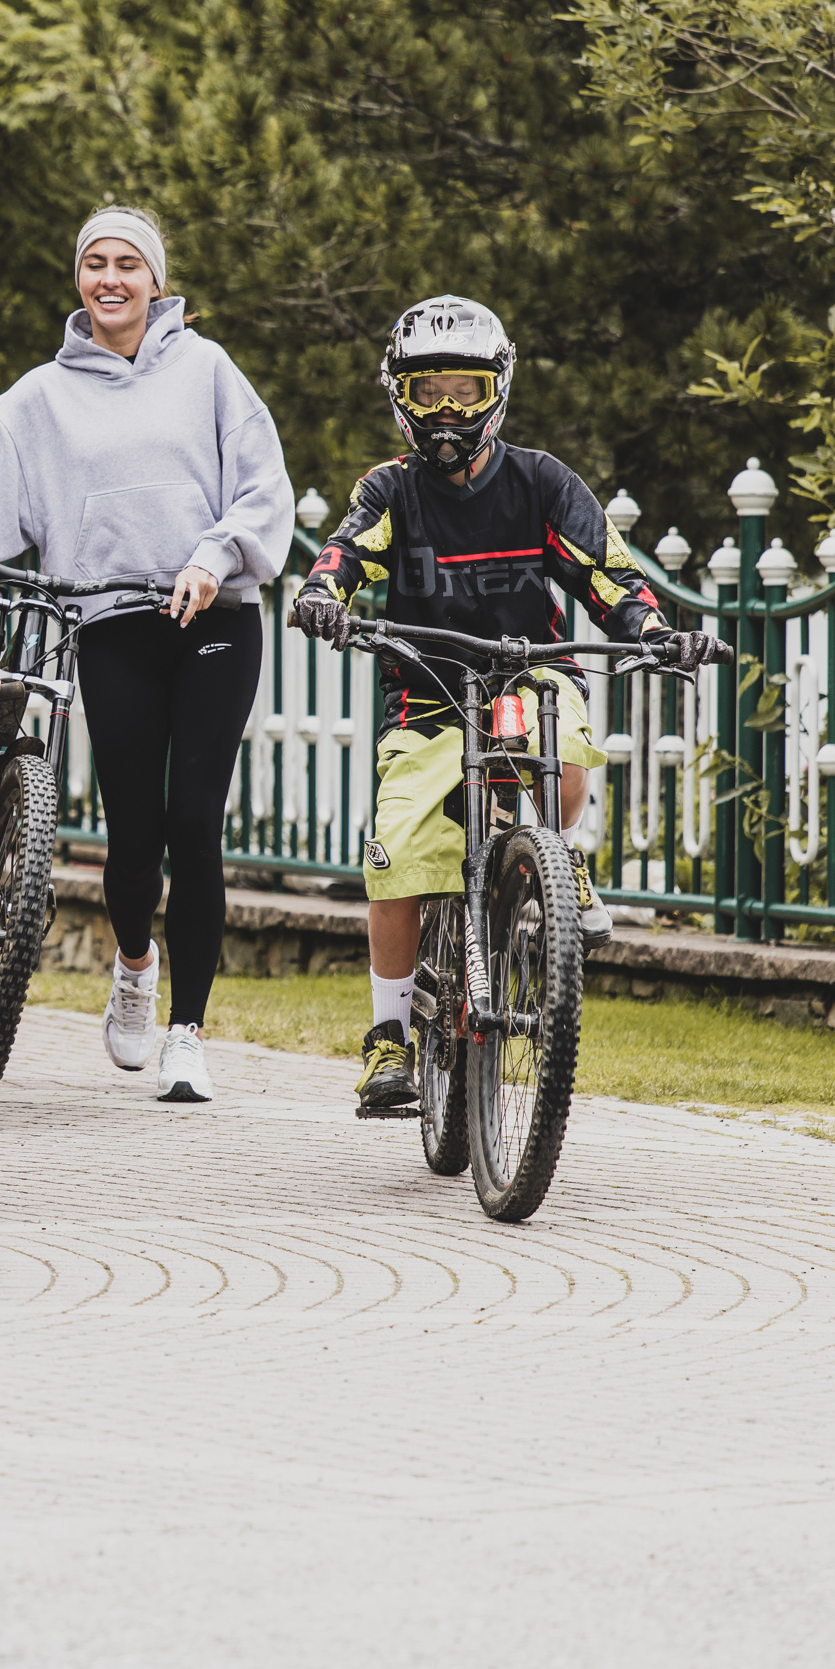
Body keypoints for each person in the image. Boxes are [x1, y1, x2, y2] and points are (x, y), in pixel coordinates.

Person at [0, 208, 292, 1106]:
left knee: (195, 821)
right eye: (94, 264)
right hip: (110, 624)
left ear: (156, 280)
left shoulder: (208, 371)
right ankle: (134, 964)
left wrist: (211, 556)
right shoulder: (42, 396)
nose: (110, 279)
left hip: (212, 614)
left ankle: (186, 1033)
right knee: (133, 833)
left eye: (127, 265)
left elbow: (264, 488)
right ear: (79, 280)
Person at [288, 294, 723, 1115]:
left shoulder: (543, 482)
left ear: (498, 389)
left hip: (530, 674)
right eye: (428, 391)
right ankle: (388, 1039)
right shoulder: (390, 489)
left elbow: (609, 576)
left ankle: (554, 863)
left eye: (465, 388)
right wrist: (321, 593)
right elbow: (347, 551)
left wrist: (656, 630)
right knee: (397, 846)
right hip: (426, 696)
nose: (447, 409)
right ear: (398, 396)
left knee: (553, 749)